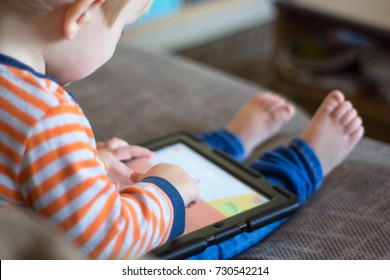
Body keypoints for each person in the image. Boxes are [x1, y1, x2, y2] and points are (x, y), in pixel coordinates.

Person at [0, 0, 364, 260]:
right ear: (80, 16)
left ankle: (230, 142)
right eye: (123, 28)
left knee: (139, 167)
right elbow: (105, 244)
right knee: (207, 237)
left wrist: (88, 157)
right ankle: (300, 164)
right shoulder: (49, 115)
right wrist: (167, 193)